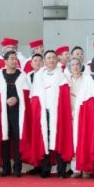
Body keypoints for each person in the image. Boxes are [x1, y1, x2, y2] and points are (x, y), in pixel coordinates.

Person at [29, 50, 73, 178]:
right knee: (44, 140)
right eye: (48, 58)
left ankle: (61, 170)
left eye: (53, 57)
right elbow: (34, 96)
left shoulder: (62, 76)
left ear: (57, 60)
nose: (51, 60)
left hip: (58, 113)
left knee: (60, 138)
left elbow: (65, 97)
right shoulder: (39, 76)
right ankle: (45, 169)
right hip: (43, 113)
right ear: (44, 60)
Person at [0, 51, 30, 177]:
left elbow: (27, 94)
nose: (14, 61)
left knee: (17, 140)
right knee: (4, 140)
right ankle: (5, 168)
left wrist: (17, 99)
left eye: (15, 58)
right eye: (11, 58)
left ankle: (17, 168)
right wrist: (3, 101)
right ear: (5, 61)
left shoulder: (22, 75)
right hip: (3, 112)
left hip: (18, 113)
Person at [67, 57, 84, 178]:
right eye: (72, 65)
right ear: (69, 68)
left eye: (77, 64)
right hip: (71, 115)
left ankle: (86, 168)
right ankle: (76, 169)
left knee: (84, 140)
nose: (75, 67)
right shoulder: (67, 81)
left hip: (84, 114)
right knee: (74, 141)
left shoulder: (87, 79)